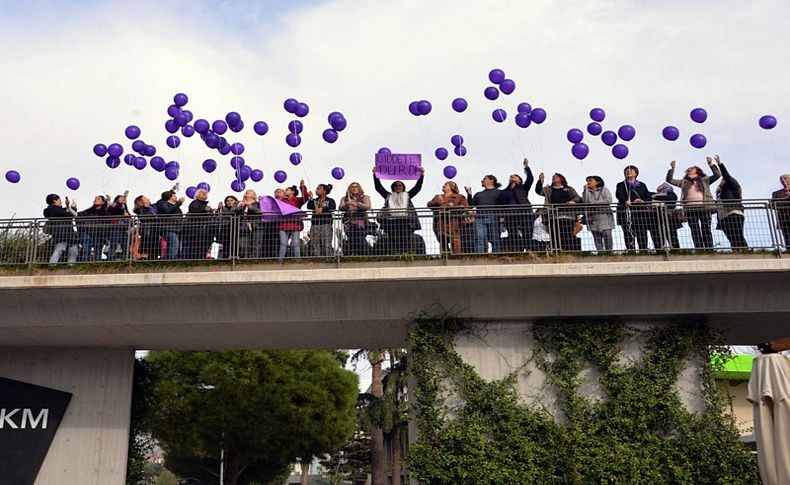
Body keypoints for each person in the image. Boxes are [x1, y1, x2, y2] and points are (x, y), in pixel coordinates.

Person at [666, 159, 721, 249]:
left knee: (706, 229)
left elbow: (717, 175)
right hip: (690, 209)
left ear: (697, 170)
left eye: (692, 168)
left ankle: (709, 248)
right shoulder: (684, 181)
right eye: (689, 168)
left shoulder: (704, 180)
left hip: (704, 207)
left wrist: (711, 164)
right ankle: (699, 248)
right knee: (694, 229)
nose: (690, 169)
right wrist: (672, 169)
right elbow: (670, 180)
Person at [373, 167, 424, 254]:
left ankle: (406, 255)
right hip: (391, 222)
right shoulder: (388, 196)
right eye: (396, 185)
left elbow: (417, 188)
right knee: (393, 240)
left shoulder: (407, 195)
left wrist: (421, 175)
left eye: (400, 185)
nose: (398, 187)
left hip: (406, 221)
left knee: (406, 240)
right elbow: (379, 188)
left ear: (403, 187)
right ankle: (395, 255)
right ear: (393, 188)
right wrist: (375, 175)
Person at [534, 172, 581, 251]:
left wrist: (573, 201)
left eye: (556, 176)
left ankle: (567, 251)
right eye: (553, 177)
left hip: (568, 215)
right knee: (554, 234)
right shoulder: (548, 189)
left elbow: (577, 197)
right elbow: (539, 191)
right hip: (553, 215)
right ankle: (557, 250)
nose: (554, 178)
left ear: (561, 178)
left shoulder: (569, 189)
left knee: (567, 234)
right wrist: (540, 180)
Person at [615, 165, 658, 251]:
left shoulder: (642, 185)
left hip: (641, 212)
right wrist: (625, 201)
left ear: (636, 173)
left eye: (631, 170)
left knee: (642, 232)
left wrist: (642, 201)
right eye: (626, 171)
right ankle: (631, 251)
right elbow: (619, 194)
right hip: (626, 212)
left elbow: (648, 196)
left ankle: (644, 250)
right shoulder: (621, 184)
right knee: (628, 232)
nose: (628, 172)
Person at [500, 158, 535, 251]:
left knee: (527, 231)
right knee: (512, 232)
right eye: (512, 176)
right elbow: (502, 203)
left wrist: (526, 166)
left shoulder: (523, 188)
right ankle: (516, 250)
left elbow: (530, 178)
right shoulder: (504, 191)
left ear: (520, 180)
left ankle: (529, 251)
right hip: (510, 214)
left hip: (524, 212)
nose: (513, 177)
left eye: (516, 176)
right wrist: (502, 215)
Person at [713, 155, 747, 249]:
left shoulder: (733, 186)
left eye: (723, 179)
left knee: (738, 236)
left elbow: (726, 176)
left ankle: (745, 253)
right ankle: (736, 252)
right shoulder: (719, 192)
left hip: (733, 213)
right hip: (723, 217)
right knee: (731, 238)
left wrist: (720, 165)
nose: (722, 181)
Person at [465, 175, 504, 253]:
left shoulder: (499, 192)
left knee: (495, 239)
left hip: (494, 218)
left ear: (491, 180)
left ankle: (495, 257)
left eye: (484, 179)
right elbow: (470, 206)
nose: (482, 180)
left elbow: (503, 204)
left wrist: (502, 216)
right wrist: (469, 195)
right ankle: (480, 256)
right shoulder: (478, 194)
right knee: (479, 239)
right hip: (479, 219)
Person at [427, 181, 469, 254]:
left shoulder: (459, 196)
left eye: (445, 184)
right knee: (442, 242)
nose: (443, 186)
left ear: (452, 187)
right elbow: (429, 205)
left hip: (454, 223)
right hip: (440, 223)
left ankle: (457, 257)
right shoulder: (438, 196)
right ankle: (444, 256)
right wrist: (437, 202)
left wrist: (450, 205)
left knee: (455, 241)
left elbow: (465, 207)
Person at [43, 193, 79, 265]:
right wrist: (73, 208)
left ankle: (69, 266)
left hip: (67, 233)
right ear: (54, 200)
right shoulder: (53, 209)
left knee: (73, 251)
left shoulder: (51, 210)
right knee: (59, 250)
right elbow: (70, 215)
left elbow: (66, 212)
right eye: (59, 200)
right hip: (62, 234)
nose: (61, 202)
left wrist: (69, 207)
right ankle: (52, 266)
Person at [278, 181, 310, 260]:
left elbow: (305, 197)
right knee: (283, 243)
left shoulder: (297, 200)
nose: (285, 191)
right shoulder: (282, 201)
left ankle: (297, 260)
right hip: (283, 225)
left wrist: (302, 186)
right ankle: (280, 261)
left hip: (295, 225)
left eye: (287, 189)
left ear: (292, 192)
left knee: (295, 243)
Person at [581, 175, 614, 251]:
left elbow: (608, 200)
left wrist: (594, 203)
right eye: (587, 181)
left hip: (604, 216)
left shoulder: (604, 190)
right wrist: (585, 191)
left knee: (607, 235)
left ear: (597, 182)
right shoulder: (587, 191)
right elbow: (585, 202)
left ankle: (609, 252)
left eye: (590, 180)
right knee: (596, 237)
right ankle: (600, 252)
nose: (588, 182)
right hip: (593, 217)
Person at [339, 182, 372, 256]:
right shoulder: (345, 198)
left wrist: (357, 204)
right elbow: (340, 208)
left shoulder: (365, 197)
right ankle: (351, 256)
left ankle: (363, 255)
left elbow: (368, 206)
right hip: (349, 222)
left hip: (361, 221)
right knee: (351, 239)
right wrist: (347, 205)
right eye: (352, 187)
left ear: (359, 188)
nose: (354, 188)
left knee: (361, 238)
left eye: (356, 187)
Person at [183, 189, 215, 259]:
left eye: (205, 192)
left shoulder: (205, 204)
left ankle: (201, 260)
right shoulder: (194, 203)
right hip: (197, 230)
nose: (204, 193)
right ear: (197, 195)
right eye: (201, 192)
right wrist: (204, 210)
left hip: (206, 230)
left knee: (204, 248)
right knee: (197, 248)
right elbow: (194, 212)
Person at [76, 194, 109, 261]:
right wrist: (70, 207)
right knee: (86, 250)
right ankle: (84, 265)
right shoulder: (88, 211)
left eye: (98, 199)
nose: (95, 199)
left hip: (100, 235)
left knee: (98, 252)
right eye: (95, 198)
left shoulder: (105, 213)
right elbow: (77, 215)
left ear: (103, 202)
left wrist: (108, 201)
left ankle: (96, 266)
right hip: (87, 232)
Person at [307, 184, 337, 257]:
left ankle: (327, 258)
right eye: (316, 188)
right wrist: (310, 198)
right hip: (315, 224)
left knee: (326, 242)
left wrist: (322, 209)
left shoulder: (330, 200)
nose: (316, 190)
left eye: (319, 188)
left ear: (324, 191)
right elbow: (309, 206)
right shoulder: (315, 200)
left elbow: (332, 207)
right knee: (315, 242)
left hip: (326, 224)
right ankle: (316, 258)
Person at [232, 190, 263, 259]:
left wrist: (251, 207)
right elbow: (232, 212)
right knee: (243, 245)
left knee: (256, 244)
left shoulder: (258, 203)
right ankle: (245, 260)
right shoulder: (238, 203)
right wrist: (239, 208)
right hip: (242, 226)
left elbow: (262, 212)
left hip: (256, 226)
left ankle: (255, 260)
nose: (247, 191)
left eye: (250, 191)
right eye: (246, 191)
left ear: (254, 195)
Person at [155, 189, 185, 259]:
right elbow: (168, 211)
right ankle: (169, 260)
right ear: (170, 196)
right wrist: (179, 203)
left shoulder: (174, 205)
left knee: (178, 246)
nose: (176, 197)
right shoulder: (162, 203)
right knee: (174, 244)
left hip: (177, 229)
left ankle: (173, 259)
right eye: (174, 195)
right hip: (168, 228)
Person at [651, 183, 681, 250]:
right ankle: (659, 251)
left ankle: (676, 251)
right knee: (657, 236)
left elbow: (670, 199)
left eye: (661, 186)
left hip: (669, 218)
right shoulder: (655, 194)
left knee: (672, 235)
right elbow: (648, 196)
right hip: (656, 218)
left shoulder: (671, 194)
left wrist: (655, 197)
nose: (658, 186)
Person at [105, 191, 131, 261]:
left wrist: (128, 216)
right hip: (115, 228)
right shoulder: (114, 205)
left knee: (125, 244)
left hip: (123, 228)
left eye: (124, 199)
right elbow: (115, 209)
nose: (124, 200)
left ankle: (126, 259)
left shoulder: (124, 207)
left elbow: (130, 218)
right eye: (122, 198)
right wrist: (124, 197)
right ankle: (109, 260)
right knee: (114, 244)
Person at [216, 195, 239, 259]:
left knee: (235, 243)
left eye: (231, 200)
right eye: (227, 201)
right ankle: (226, 257)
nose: (229, 202)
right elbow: (218, 217)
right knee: (226, 244)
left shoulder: (238, 208)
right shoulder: (223, 209)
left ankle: (235, 257)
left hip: (236, 228)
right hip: (226, 229)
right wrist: (219, 209)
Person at [771, 174, 790, 248]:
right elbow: (773, 205)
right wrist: (786, 199)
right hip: (784, 218)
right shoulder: (776, 193)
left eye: (785, 179)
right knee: (787, 237)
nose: (783, 181)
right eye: (781, 180)